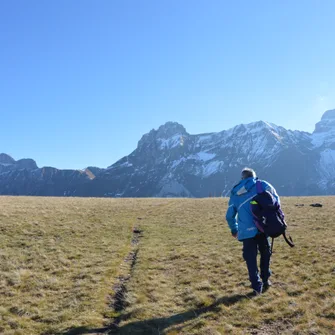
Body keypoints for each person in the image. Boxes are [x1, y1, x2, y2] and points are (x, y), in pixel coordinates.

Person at [225, 167, 280, 294]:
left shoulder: (235, 192)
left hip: (245, 231)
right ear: (254, 176)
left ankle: (256, 286)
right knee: (265, 253)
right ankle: (265, 278)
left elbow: (229, 216)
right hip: (263, 227)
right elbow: (276, 202)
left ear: (242, 178)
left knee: (250, 258)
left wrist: (234, 229)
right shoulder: (263, 185)